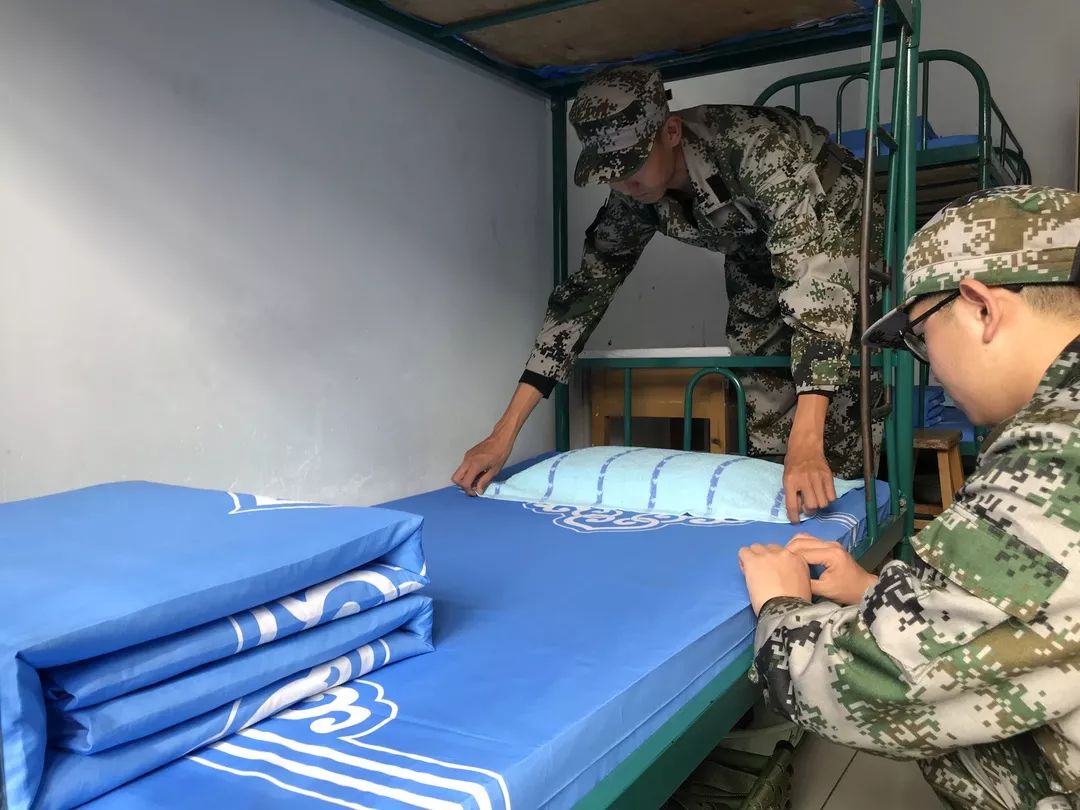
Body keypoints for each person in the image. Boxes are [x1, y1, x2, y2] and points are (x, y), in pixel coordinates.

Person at [739, 185, 1080, 808]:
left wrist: (780, 608)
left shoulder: (1058, 451)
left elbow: (879, 685)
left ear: (981, 308)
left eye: (922, 336)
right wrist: (873, 589)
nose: (931, 366)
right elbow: (1032, 611)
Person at [452, 65, 884, 523]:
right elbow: (581, 299)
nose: (624, 183)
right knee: (756, 351)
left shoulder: (757, 148)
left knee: (840, 364)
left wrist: (807, 440)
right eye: (611, 173)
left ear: (671, 132)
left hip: (836, 219)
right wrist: (503, 434)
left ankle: (847, 509)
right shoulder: (632, 196)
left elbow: (816, 285)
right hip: (752, 244)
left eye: (631, 165)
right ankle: (779, 504)